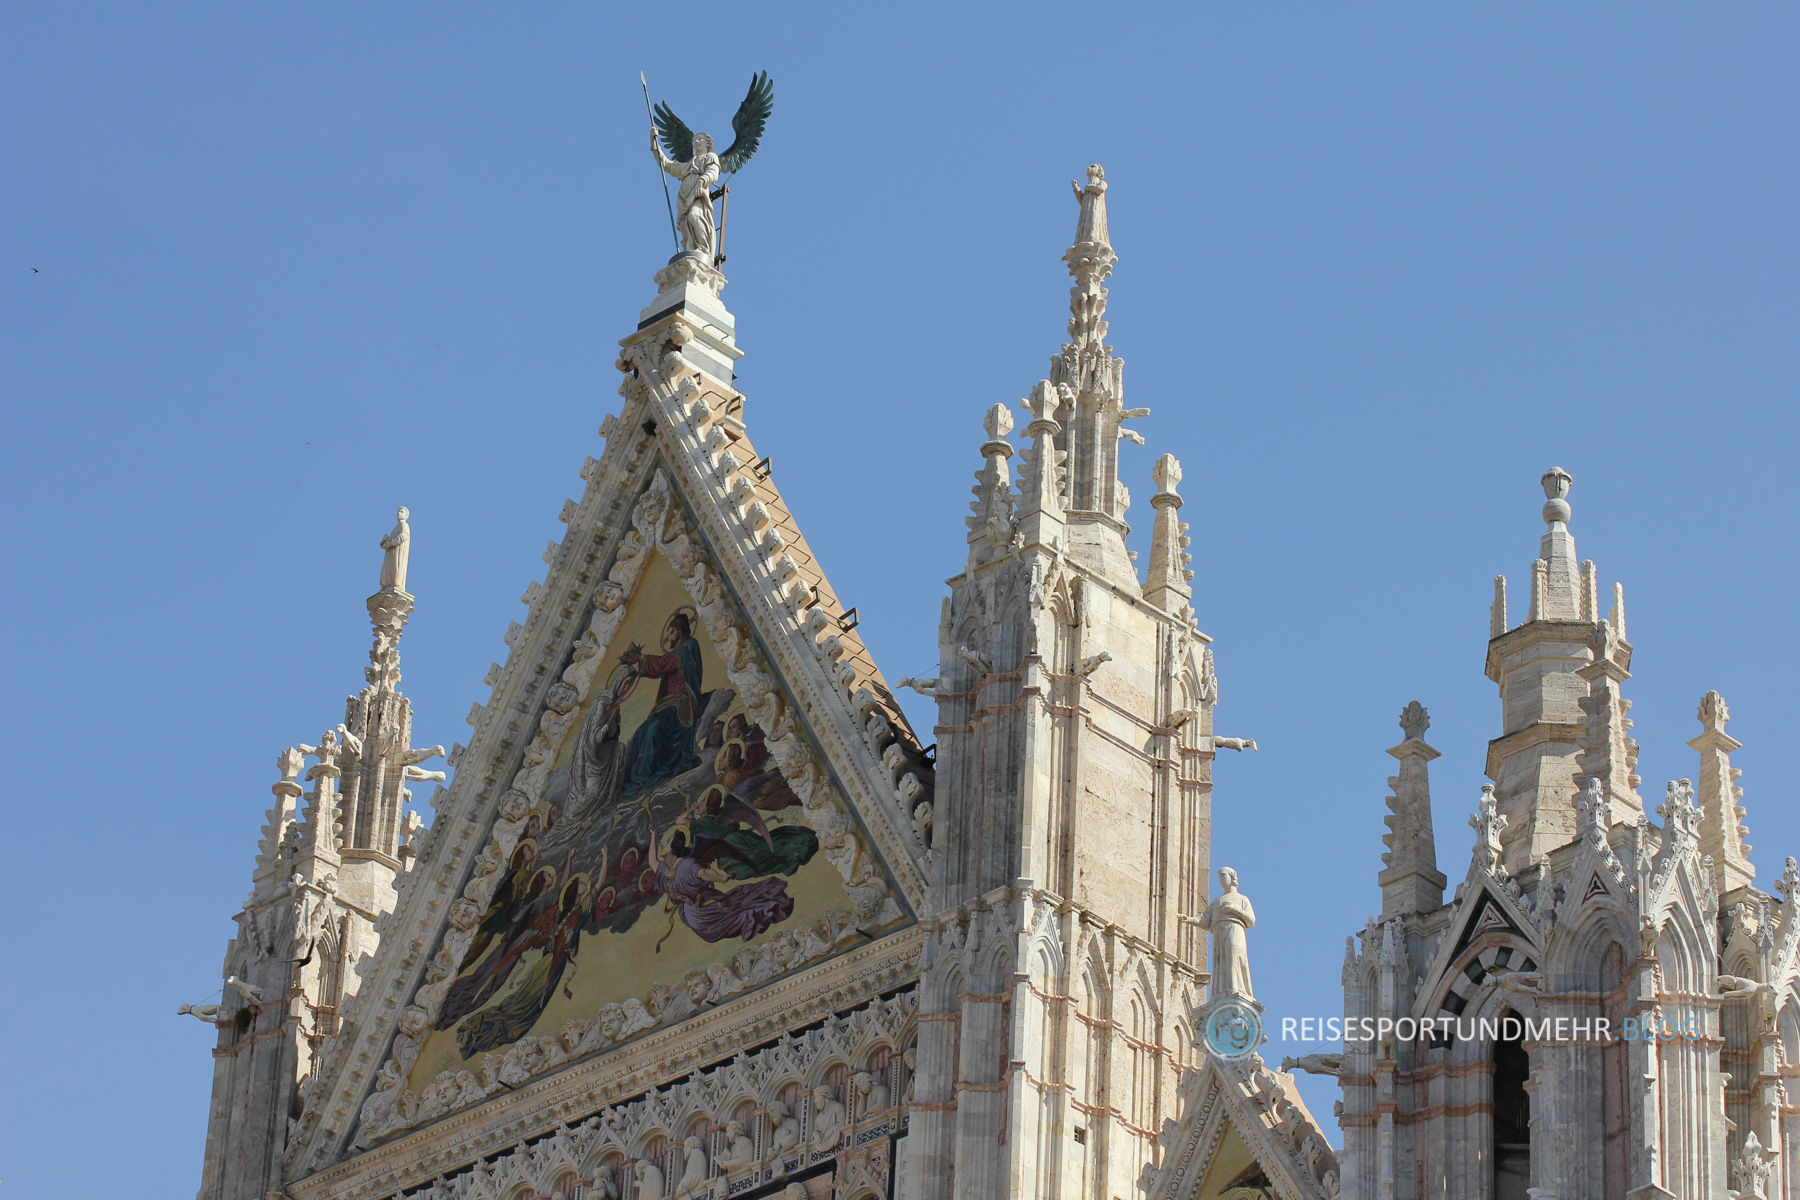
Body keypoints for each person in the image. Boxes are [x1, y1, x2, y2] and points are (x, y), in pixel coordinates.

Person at [620, 612, 706, 796]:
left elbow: (662, 664)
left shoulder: (688, 647)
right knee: (640, 733)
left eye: (673, 631)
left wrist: (640, 659)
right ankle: (633, 780)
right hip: (668, 704)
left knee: (655, 728)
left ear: (681, 631)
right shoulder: (678, 652)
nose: (670, 636)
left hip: (683, 702)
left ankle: (642, 779)